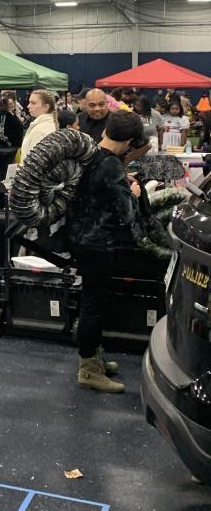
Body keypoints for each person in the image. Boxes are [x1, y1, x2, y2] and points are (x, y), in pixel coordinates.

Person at [66, 110, 152, 393]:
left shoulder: (89, 153)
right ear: (129, 142)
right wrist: (134, 194)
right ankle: (89, 369)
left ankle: (94, 356)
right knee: (95, 304)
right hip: (97, 242)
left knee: (91, 300)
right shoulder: (112, 165)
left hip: (78, 235)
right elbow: (127, 214)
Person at [21, 89, 58, 160]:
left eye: (33, 103)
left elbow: (35, 161)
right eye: (29, 102)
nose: (28, 106)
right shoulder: (49, 124)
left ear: (46, 107)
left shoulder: (40, 130)